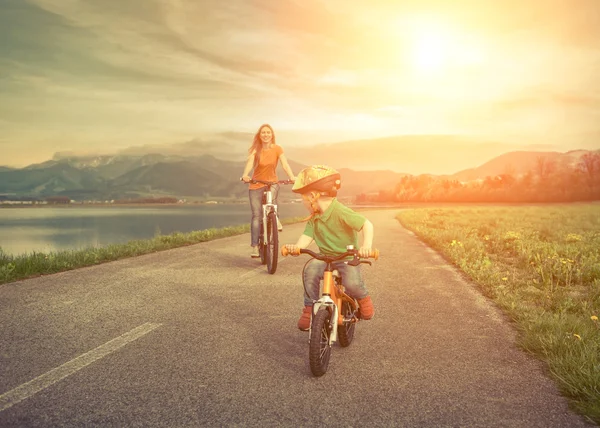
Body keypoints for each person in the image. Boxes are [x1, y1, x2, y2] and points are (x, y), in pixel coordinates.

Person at [282, 165, 375, 331]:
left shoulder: (340, 211)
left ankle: (363, 298)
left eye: (304, 199)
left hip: (346, 257)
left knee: (352, 283)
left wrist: (366, 246)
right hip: (324, 257)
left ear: (313, 196)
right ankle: (309, 308)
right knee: (310, 271)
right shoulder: (315, 217)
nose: (304, 203)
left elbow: (366, 225)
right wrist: (297, 247)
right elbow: (307, 237)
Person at [241, 124, 296, 258]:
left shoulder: (277, 149)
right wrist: (245, 175)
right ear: (260, 136)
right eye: (263, 133)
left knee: (273, 200)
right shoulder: (256, 149)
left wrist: (291, 177)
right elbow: (250, 162)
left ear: (272, 135)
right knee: (256, 215)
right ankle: (255, 247)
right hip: (256, 184)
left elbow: (285, 164)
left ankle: (275, 217)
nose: (266, 135)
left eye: (268, 132)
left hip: (272, 182)